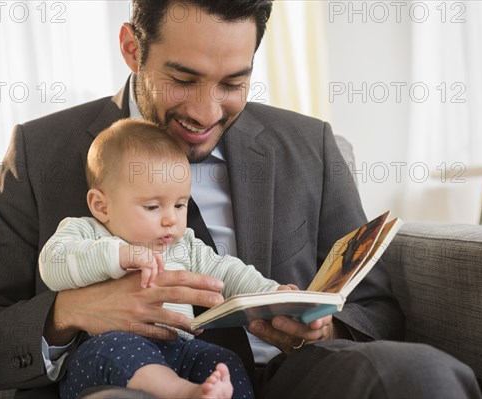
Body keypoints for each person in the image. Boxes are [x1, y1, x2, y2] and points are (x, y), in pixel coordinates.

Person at [0, 1, 482, 398]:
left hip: (284, 379)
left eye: (233, 82)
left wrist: (323, 325)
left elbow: (377, 310)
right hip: (121, 376)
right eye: (183, 79)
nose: (207, 113)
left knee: (420, 374)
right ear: (133, 48)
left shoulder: (308, 144)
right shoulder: (41, 151)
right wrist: (72, 312)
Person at [40, 118, 296, 398]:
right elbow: (52, 263)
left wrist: (270, 294)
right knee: (119, 351)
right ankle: (182, 393)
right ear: (101, 206)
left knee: (224, 361)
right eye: (152, 206)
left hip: (179, 348)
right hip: (104, 351)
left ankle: (207, 392)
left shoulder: (183, 244)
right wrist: (120, 255)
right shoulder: (87, 231)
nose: (170, 220)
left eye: (179, 204)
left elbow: (226, 272)